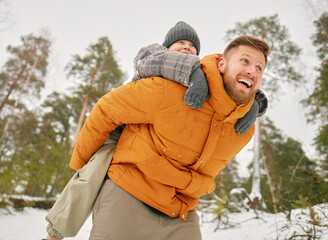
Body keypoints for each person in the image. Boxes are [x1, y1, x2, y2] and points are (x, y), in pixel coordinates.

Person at [44, 22, 269, 240]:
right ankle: (54, 233)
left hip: (178, 202)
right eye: (180, 43)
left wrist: (256, 103)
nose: (187, 48)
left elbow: (228, 85)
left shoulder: (235, 120)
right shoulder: (158, 66)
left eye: (192, 47)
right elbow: (113, 102)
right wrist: (83, 160)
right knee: (88, 177)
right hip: (121, 144)